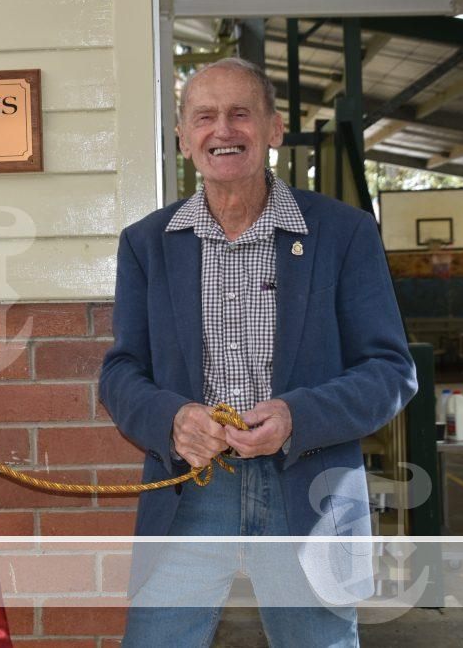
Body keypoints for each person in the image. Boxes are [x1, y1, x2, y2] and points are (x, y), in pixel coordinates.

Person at [98, 57, 417, 647]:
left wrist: (300, 416)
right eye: (205, 117)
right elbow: (121, 372)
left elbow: (391, 370)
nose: (223, 130)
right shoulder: (147, 244)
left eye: (241, 114)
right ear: (184, 137)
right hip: (191, 488)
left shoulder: (343, 233)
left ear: (273, 129)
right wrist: (172, 421)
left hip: (308, 486)